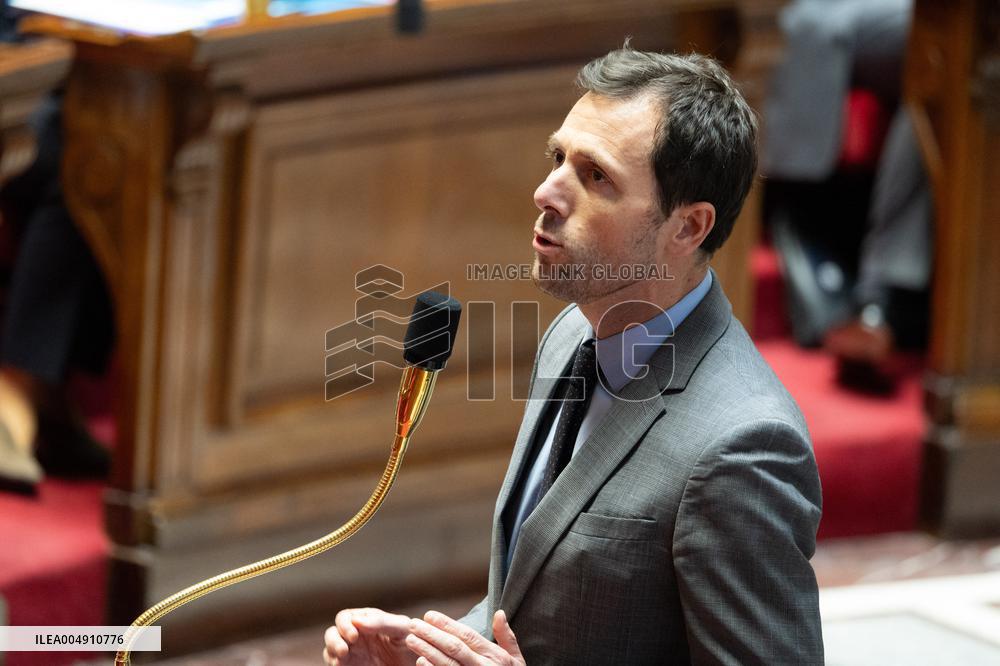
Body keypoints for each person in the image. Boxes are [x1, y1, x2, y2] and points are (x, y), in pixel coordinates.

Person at [323, 45, 823, 665]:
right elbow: (536, 604)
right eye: (558, 157)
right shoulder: (571, 335)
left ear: (688, 227)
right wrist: (435, 652)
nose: (545, 192)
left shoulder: (743, 446)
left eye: (596, 177)